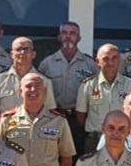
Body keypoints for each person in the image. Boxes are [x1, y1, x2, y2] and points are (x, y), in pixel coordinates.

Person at [39, 21, 98, 154]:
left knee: (79, 161)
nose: (68, 36)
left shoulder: (90, 65)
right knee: (53, 159)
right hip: (54, 117)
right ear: (59, 37)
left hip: (79, 120)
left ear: (79, 38)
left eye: (72, 33)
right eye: (64, 33)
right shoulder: (47, 63)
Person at [75, 43, 131, 151]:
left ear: (119, 60)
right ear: (98, 62)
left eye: (114, 58)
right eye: (105, 59)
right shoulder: (88, 85)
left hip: (123, 140)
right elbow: (81, 116)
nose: (110, 63)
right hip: (95, 140)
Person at [0, 36, 57, 112]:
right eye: (18, 49)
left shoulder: (44, 81)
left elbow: (50, 111)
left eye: (26, 49)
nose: (22, 52)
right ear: (11, 54)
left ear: (33, 54)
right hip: (7, 123)